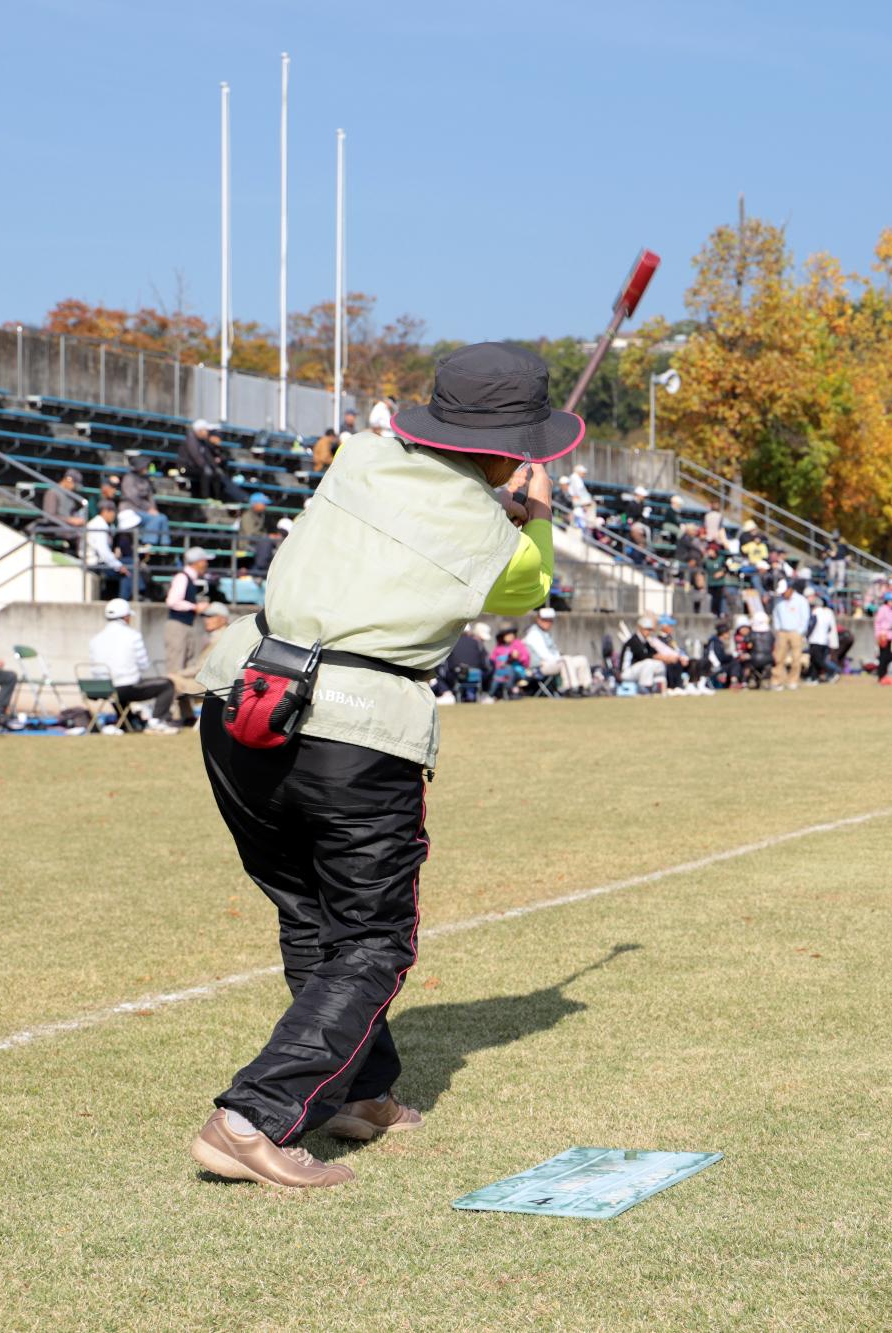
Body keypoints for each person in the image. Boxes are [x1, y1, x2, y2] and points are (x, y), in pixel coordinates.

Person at [189, 341, 571, 1189]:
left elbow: (423, 500)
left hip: (242, 695)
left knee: (310, 915)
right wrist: (532, 508)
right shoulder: (489, 529)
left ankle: (357, 1094)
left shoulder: (357, 457)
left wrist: (499, 488)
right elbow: (526, 583)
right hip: (355, 731)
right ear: (518, 444)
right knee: (372, 941)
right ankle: (251, 1114)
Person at [88, 598, 178, 732]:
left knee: (120, 689)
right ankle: (157, 720)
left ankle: (127, 721)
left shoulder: (95, 639)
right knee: (167, 685)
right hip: (126, 688)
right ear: (125, 617)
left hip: (102, 689)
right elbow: (143, 665)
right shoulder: (133, 635)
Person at [167, 601, 233, 724]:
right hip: (215, 683)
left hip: (211, 685)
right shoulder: (224, 634)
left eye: (210, 616)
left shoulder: (220, 638)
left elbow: (200, 667)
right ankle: (188, 717)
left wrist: (178, 673)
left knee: (171, 680)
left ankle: (173, 719)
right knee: (174, 680)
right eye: (205, 616)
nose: (206, 620)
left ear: (222, 619)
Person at [163, 548, 215, 675]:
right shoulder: (182, 577)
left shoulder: (189, 578)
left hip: (184, 625)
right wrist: (195, 607)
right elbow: (172, 601)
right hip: (178, 626)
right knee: (175, 667)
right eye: (204, 561)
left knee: (184, 665)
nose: (206, 564)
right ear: (197, 562)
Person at [524, 607, 591, 694]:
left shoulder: (545, 633)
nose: (548, 622)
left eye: (550, 620)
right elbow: (544, 655)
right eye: (545, 620)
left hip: (553, 663)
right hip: (540, 666)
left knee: (581, 659)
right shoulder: (534, 633)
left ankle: (585, 687)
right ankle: (571, 688)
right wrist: (561, 658)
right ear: (538, 619)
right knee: (565, 660)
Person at [83, 499, 131, 601]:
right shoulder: (99, 525)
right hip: (94, 563)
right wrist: (119, 566)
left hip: (96, 561)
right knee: (130, 566)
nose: (114, 515)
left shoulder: (99, 523)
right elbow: (103, 551)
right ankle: (123, 601)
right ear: (105, 511)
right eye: (112, 512)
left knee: (128, 563)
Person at [771, 580, 810, 690]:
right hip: (782, 632)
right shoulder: (779, 601)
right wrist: (777, 629)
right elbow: (775, 616)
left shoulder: (801, 600)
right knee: (778, 657)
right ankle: (776, 681)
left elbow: (805, 617)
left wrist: (800, 631)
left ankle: (793, 681)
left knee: (796, 658)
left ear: (790, 589)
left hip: (795, 632)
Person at [39, 467, 88, 552]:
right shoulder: (53, 492)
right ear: (68, 480)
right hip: (53, 527)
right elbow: (49, 516)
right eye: (74, 484)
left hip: (67, 527)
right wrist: (71, 520)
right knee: (79, 534)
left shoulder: (70, 495)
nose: (74, 487)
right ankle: (82, 558)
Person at [807, 589, 838, 682]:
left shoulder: (816, 612)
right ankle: (814, 678)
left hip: (815, 640)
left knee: (817, 660)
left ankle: (833, 671)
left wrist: (807, 636)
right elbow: (829, 628)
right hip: (824, 640)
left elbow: (811, 626)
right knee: (815, 660)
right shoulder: (827, 613)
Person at [873, 591, 892, 682]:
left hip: (891, 636)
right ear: (887, 601)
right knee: (883, 657)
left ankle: (885, 675)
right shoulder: (883, 609)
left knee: (890, 656)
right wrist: (878, 635)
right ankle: (881, 676)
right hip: (883, 636)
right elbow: (877, 623)